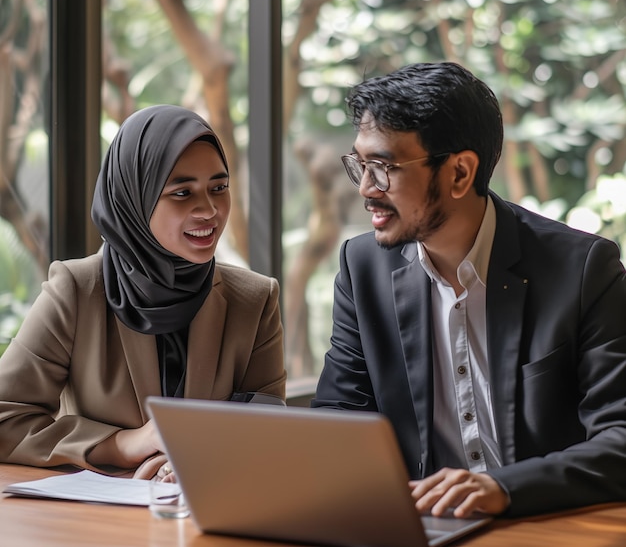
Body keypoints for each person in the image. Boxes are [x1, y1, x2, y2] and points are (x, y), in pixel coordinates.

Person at [312, 62, 626, 518]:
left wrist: (503, 488)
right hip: (419, 527)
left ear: (460, 173)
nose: (365, 188)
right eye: (360, 165)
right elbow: (339, 419)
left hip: (543, 523)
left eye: (383, 167)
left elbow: (620, 439)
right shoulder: (362, 269)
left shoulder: (582, 270)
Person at [0, 104, 286, 479]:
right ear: (133, 199)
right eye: (182, 193)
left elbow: (268, 432)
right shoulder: (76, 290)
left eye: (219, 188)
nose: (209, 210)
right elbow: (7, 418)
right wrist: (122, 445)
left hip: (208, 515)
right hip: (93, 526)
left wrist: (190, 462)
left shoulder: (255, 299)